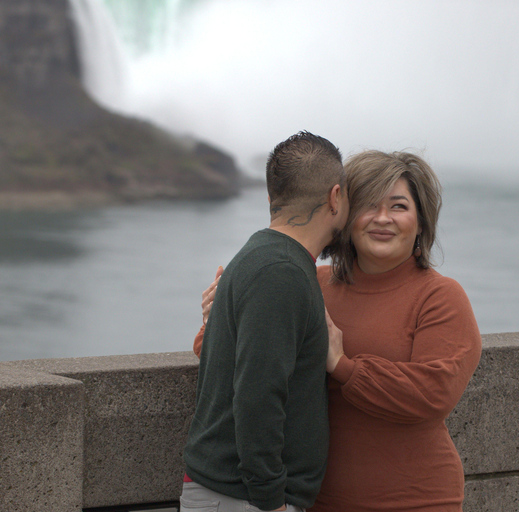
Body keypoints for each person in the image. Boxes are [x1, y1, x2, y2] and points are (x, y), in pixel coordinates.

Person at [194, 150, 482, 512]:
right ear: (343, 213)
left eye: (398, 207)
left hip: (416, 500)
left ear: (421, 222)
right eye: (368, 206)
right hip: (312, 500)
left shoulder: (440, 296)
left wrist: (342, 365)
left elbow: (434, 393)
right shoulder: (310, 283)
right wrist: (220, 321)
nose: (382, 219)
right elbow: (244, 365)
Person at [182, 131, 349, 512]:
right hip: (246, 500)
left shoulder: (266, 256)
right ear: (335, 197)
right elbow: (258, 395)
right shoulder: (281, 272)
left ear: (271, 197)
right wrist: (271, 500)